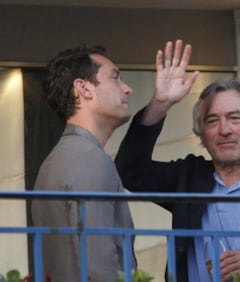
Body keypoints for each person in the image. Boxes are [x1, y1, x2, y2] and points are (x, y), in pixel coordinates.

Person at [115, 41, 240, 281]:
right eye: (212, 121)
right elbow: (131, 171)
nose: (224, 130)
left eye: (234, 118)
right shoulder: (189, 178)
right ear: (201, 137)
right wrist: (160, 104)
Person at [32, 45, 137, 282]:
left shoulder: (58, 159)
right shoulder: (88, 158)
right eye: (115, 78)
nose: (127, 89)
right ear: (84, 88)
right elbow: (98, 266)